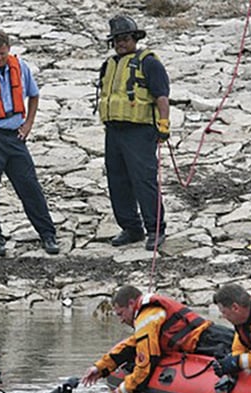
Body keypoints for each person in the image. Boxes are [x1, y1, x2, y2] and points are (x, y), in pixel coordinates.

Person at [0, 30, 59, 257]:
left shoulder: (21, 67)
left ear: (9, 49)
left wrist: (28, 125)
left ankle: (47, 233)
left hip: (15, 136)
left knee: (30, 186)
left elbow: (34, 96)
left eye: (2, 54)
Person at [81, 285, 234, 393]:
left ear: (131, 303)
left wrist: (122, 392)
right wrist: (100, 368)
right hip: (213, 336)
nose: (121, 320)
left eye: (121, 314)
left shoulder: (146, 316)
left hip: (211, 342)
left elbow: (145, 363)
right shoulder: (149, 312)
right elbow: (131, 344)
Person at [98, 15, 169, 251]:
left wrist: (164, 124)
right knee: (117, 181)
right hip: (114, 131)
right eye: (116, 39)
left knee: (144, 180)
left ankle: (156, 228)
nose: (121, 43)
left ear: (135, 38)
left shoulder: (149, 63)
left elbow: (161, 96)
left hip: (139, 131)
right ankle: (131, 227)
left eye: (125, 38)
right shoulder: (108, 65)